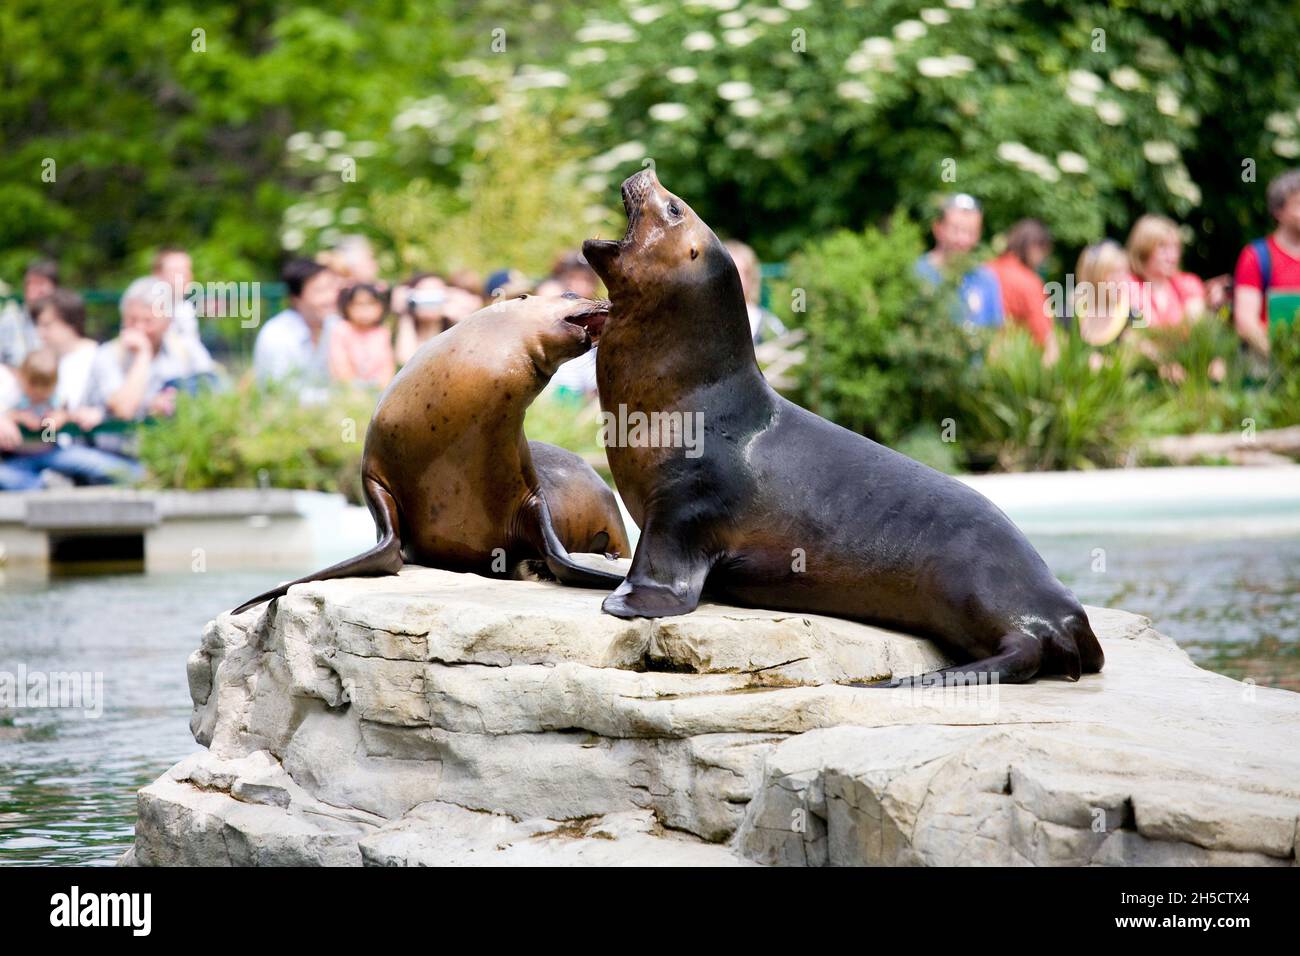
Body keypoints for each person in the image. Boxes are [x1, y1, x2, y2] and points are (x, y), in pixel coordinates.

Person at [85, 277, 218, 424]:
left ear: (168, 322)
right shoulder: (108, 354)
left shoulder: (185, 350)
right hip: (107, 446)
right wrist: (143, 356)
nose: (139, 328)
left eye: (148, 321)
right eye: (132, 320)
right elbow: (124, 409)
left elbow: (212, 393)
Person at [1233, 168, 1300, 357]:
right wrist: (1284, 360)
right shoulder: (1257, 256)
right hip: (1268, 362)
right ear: (1279, 211)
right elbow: (1245, 322)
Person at [915, 194, 1004, 329]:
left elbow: (996, 333)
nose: (963, 239)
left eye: (971, 232)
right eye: (955, 230)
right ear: (938, 228)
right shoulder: (917, 273)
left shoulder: (986, 279)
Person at [253, 258, 339, 388]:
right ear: (295, 298)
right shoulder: (277, 334)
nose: (330, 297)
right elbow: (281, 391)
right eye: (320, 290)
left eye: (332, 288)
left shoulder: (335, 325)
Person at [987, 219, 1060, 363]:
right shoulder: (1029, 282)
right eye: (1044, 253)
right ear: (1034, 248)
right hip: (1008, 363)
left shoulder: (986, 270)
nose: (1043, 260)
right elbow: (1045, 337)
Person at [1125, 214, 1206, 328]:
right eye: (1162, 247)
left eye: (1175, 247)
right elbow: (1137, 332)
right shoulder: (1128, 286)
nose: (1172, 255)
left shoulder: (1188, 284)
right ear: (1143, 250)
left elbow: (1196, 332)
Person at [329, 283, 396, 388]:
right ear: (348, 307)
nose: (365, 309)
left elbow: (387, 367)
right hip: (348, 390)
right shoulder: (342, 329)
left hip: (377, 390)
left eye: (371, 303)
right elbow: (340, 365)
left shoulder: (382, 333)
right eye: (359, 304)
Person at [724, 239, 788, 344]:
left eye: (741, 273)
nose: (734, 279)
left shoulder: (768, 324)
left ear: (751, 278)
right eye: (729, 272)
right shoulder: (703, 322)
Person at [0, 259, 58, 370]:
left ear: (54, 288)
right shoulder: (10, 320)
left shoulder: (64, 322)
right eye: (31, 284)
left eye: (41, 283)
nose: (36, 290)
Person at [394, 272, 450, 366]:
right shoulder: (389, 335)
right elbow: (406, 361)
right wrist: (404, 313)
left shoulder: (453, 337)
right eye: (423, 294)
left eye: (436, 294)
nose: (429, 301)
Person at [151, 247, 201, 347]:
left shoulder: (185, 308)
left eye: (187, 269)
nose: (186, 275)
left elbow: (196, 355)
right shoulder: (144, 311)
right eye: (177, 270)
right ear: (157, 275)